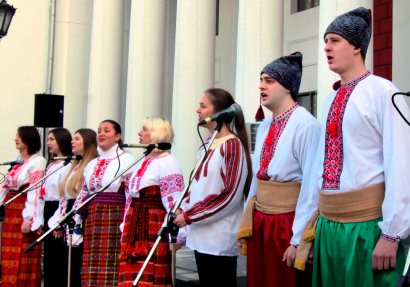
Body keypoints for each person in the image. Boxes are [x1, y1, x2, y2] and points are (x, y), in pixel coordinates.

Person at [299, 7, 410, 287]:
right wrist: (307, 232)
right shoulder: (329, 100)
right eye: (326, 41)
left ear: (357, 46)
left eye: (335, 40)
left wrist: (392, 234)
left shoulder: (384, 92)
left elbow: (402, 163)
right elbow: (316, 170)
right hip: (328, 227)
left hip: (368, 228)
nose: (326, 47)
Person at [236, 52, 320, 287]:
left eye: (269, 80)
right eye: (261, 80)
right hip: (262, 220)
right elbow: (258, 177)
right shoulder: (265, 125)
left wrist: (297, 240)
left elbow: (311, 185)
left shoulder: (306, 125)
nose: (261, 85)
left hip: (287, 222)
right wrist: (247, 222)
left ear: (287, 87)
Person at [174, 88, 252, 287]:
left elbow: (230, 195)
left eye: (203, 105)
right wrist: (183, 208)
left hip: (219, 237)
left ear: (218, 112)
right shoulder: (207, 145)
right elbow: (198, 186)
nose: (197, 110)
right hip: (201, 234)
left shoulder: (232, 145)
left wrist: (191, 215)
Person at [118, 116, 185, 287]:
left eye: (144, 129)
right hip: (135, 226)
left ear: (157, 134)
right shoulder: (144, 162)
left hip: (154, 226)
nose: (139, 133)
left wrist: (179, 235)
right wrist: (125, 223)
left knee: (151, 277)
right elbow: (130, 199)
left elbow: (175, 202)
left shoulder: (168, 162)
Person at [72, 120, 135, 286]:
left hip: (114, 216)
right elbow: (84, 193)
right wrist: (76, 222)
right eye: (99, 130)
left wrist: (126, 223)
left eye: (106, 130)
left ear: (118, 136)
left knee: (111, 264)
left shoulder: (127, 159)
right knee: (91, 265)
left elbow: (130, 194)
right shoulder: (93, 163)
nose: (101, 134)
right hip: (92, 217)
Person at [48, 128, 98, 287]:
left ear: (88, 143)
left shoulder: (91, 165)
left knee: (76, 265)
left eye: (77, 138)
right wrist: (60, 219)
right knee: (64, 266)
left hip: (80, 216)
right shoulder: (74, 165)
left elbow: (83, 196)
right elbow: (64, 196)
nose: (72, 141)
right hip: (67, 214)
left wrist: (72, 221)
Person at [0, 126, 46, 287]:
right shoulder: (17, 161)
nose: (15, 139)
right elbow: (5, 185)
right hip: (10, 211)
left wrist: (30, 218)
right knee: (7, 257)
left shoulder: (38, 161)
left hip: (23, 209)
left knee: (23, 256)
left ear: (28, 139)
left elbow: (35, 190)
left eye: (19, 136)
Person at [31, 128, 72, 287]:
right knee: (48, 256)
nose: (48, 143)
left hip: (58, 208)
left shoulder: (67, 164)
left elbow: (63, 193)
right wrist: (39, 218)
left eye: (52, 139)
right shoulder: (51, 164)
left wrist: (60, 220)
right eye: (48, 139)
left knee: (58, 255)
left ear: (62, 140)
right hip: (48, 208)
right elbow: (42, 193)